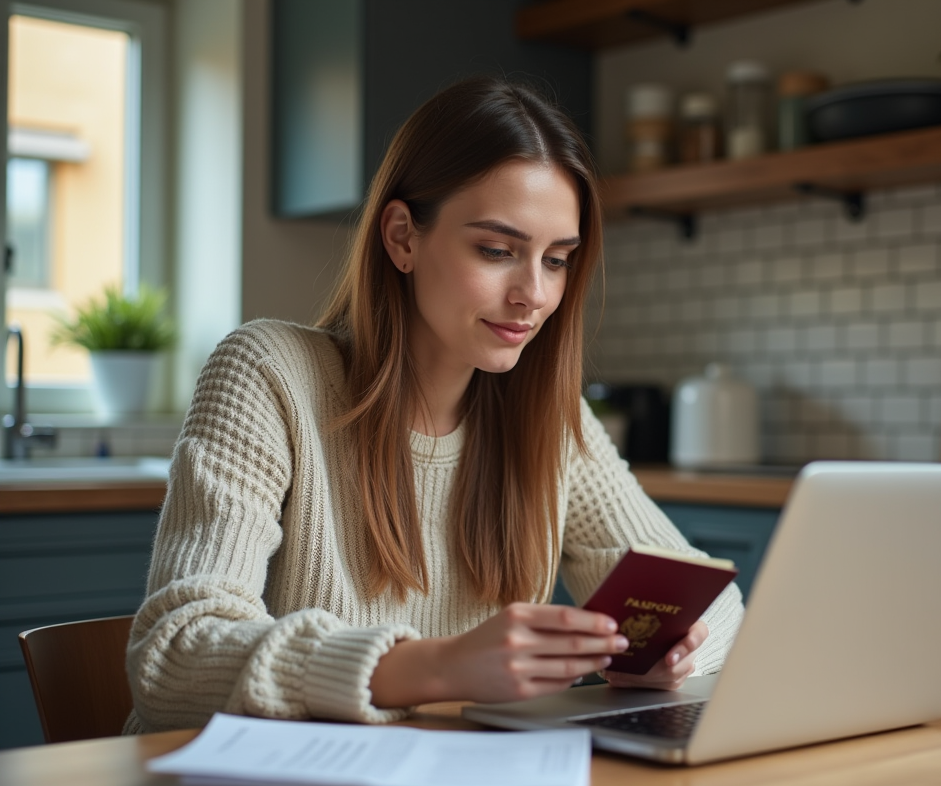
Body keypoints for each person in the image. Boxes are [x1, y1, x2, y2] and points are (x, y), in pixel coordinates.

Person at [125, 76, 744, 733]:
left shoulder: (544, 422)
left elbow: (711, 597)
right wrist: (435, 667)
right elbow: (173, 655)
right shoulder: (270, 375)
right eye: (498, 251)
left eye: (558, 260)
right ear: (402, 237)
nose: (533, 294)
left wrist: (672, 651)